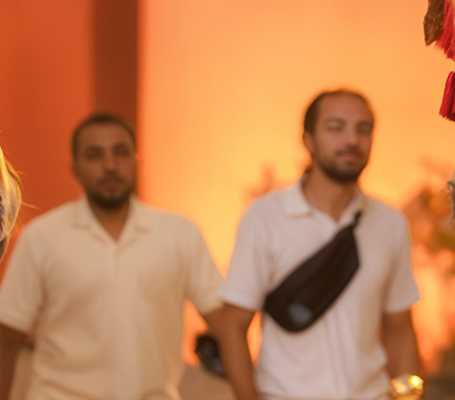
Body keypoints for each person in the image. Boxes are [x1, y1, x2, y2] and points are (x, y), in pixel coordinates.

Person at [213, 89, 423, 400]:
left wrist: (410, 398)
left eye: (363, 129)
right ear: (308, 140)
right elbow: (232, 325)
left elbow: (399, 330)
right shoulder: (265, 218)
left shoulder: (390, 222)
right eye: (335, 127)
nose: (351, 139)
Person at [0, 113, 224, 400]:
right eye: (94, 155)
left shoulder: (180, 233)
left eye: (120, 153)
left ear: (136, 160)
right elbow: (8, 339)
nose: (109, 165)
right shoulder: (42, 237)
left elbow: (226, 323)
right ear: (75, 168)